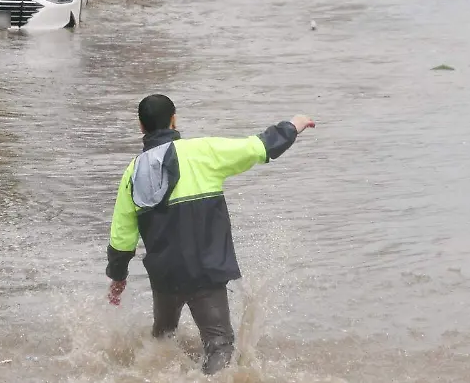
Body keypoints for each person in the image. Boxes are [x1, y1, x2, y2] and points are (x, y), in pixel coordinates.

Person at [105, 94, 316, 375]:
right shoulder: (203, 151)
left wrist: (118, 277)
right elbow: (259, 147)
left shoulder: (133, 172)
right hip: (205, 271)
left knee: (163, 340)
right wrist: (294, 125)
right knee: (220, 345)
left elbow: (121, 236)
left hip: (164, 275)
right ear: (173, 120)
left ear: (141, 126)